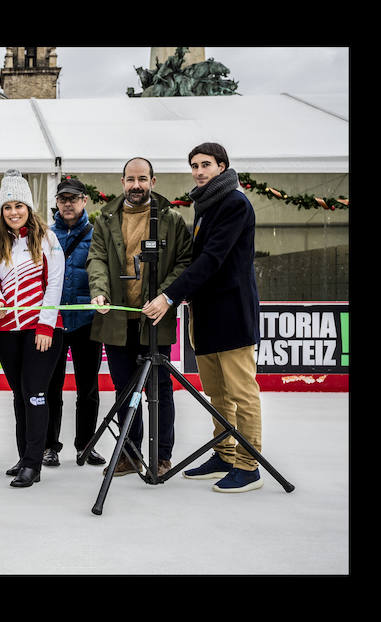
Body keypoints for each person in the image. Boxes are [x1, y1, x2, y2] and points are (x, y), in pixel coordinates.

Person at [142, 142, 263, 493]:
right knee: (217, 392)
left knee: (242, 393)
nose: (199, 171)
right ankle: (224, 453)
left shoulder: (235, 204)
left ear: (222, 166)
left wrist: (168, 296)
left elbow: (211, 260)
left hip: (232, 314)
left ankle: (248, 464)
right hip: (205, 314)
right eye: (194, 165)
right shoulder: (207, 205)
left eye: (206, 164)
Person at [88, 157, 192, 478]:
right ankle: (129, 454)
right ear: (122, 183)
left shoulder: (172, 220)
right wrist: (100, 290)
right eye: (131, 179)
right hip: (117, 321)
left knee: (159, 389)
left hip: (156, 321)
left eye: (142, 179)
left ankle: (161, 456)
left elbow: (185, 262)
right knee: (124, 390)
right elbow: (98, 259)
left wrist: (163, 296)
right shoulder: (106, 219)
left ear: (153, 181)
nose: (136, 185)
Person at [0, 170, 65, 488]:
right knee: (20, 395)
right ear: (2, 211)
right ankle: (24, 457)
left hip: (41, 330)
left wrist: (46, 325)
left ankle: (34, 463)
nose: (14, 212)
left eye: (19, 205)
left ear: (29, 208)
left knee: (35, 394)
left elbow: (55, 282)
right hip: (5, 330)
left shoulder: (47, 239)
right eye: (8, 207)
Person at [44, 176, 106, 469]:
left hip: (86, 322)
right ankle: (49, 446)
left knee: (88, 388)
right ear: (57, 203)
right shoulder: (45, 236)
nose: (68, 204)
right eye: (63, 199)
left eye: (73, 198)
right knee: (50, 387)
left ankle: (86, 445)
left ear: (84, 201)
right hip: (54, 322)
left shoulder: (96, 235)